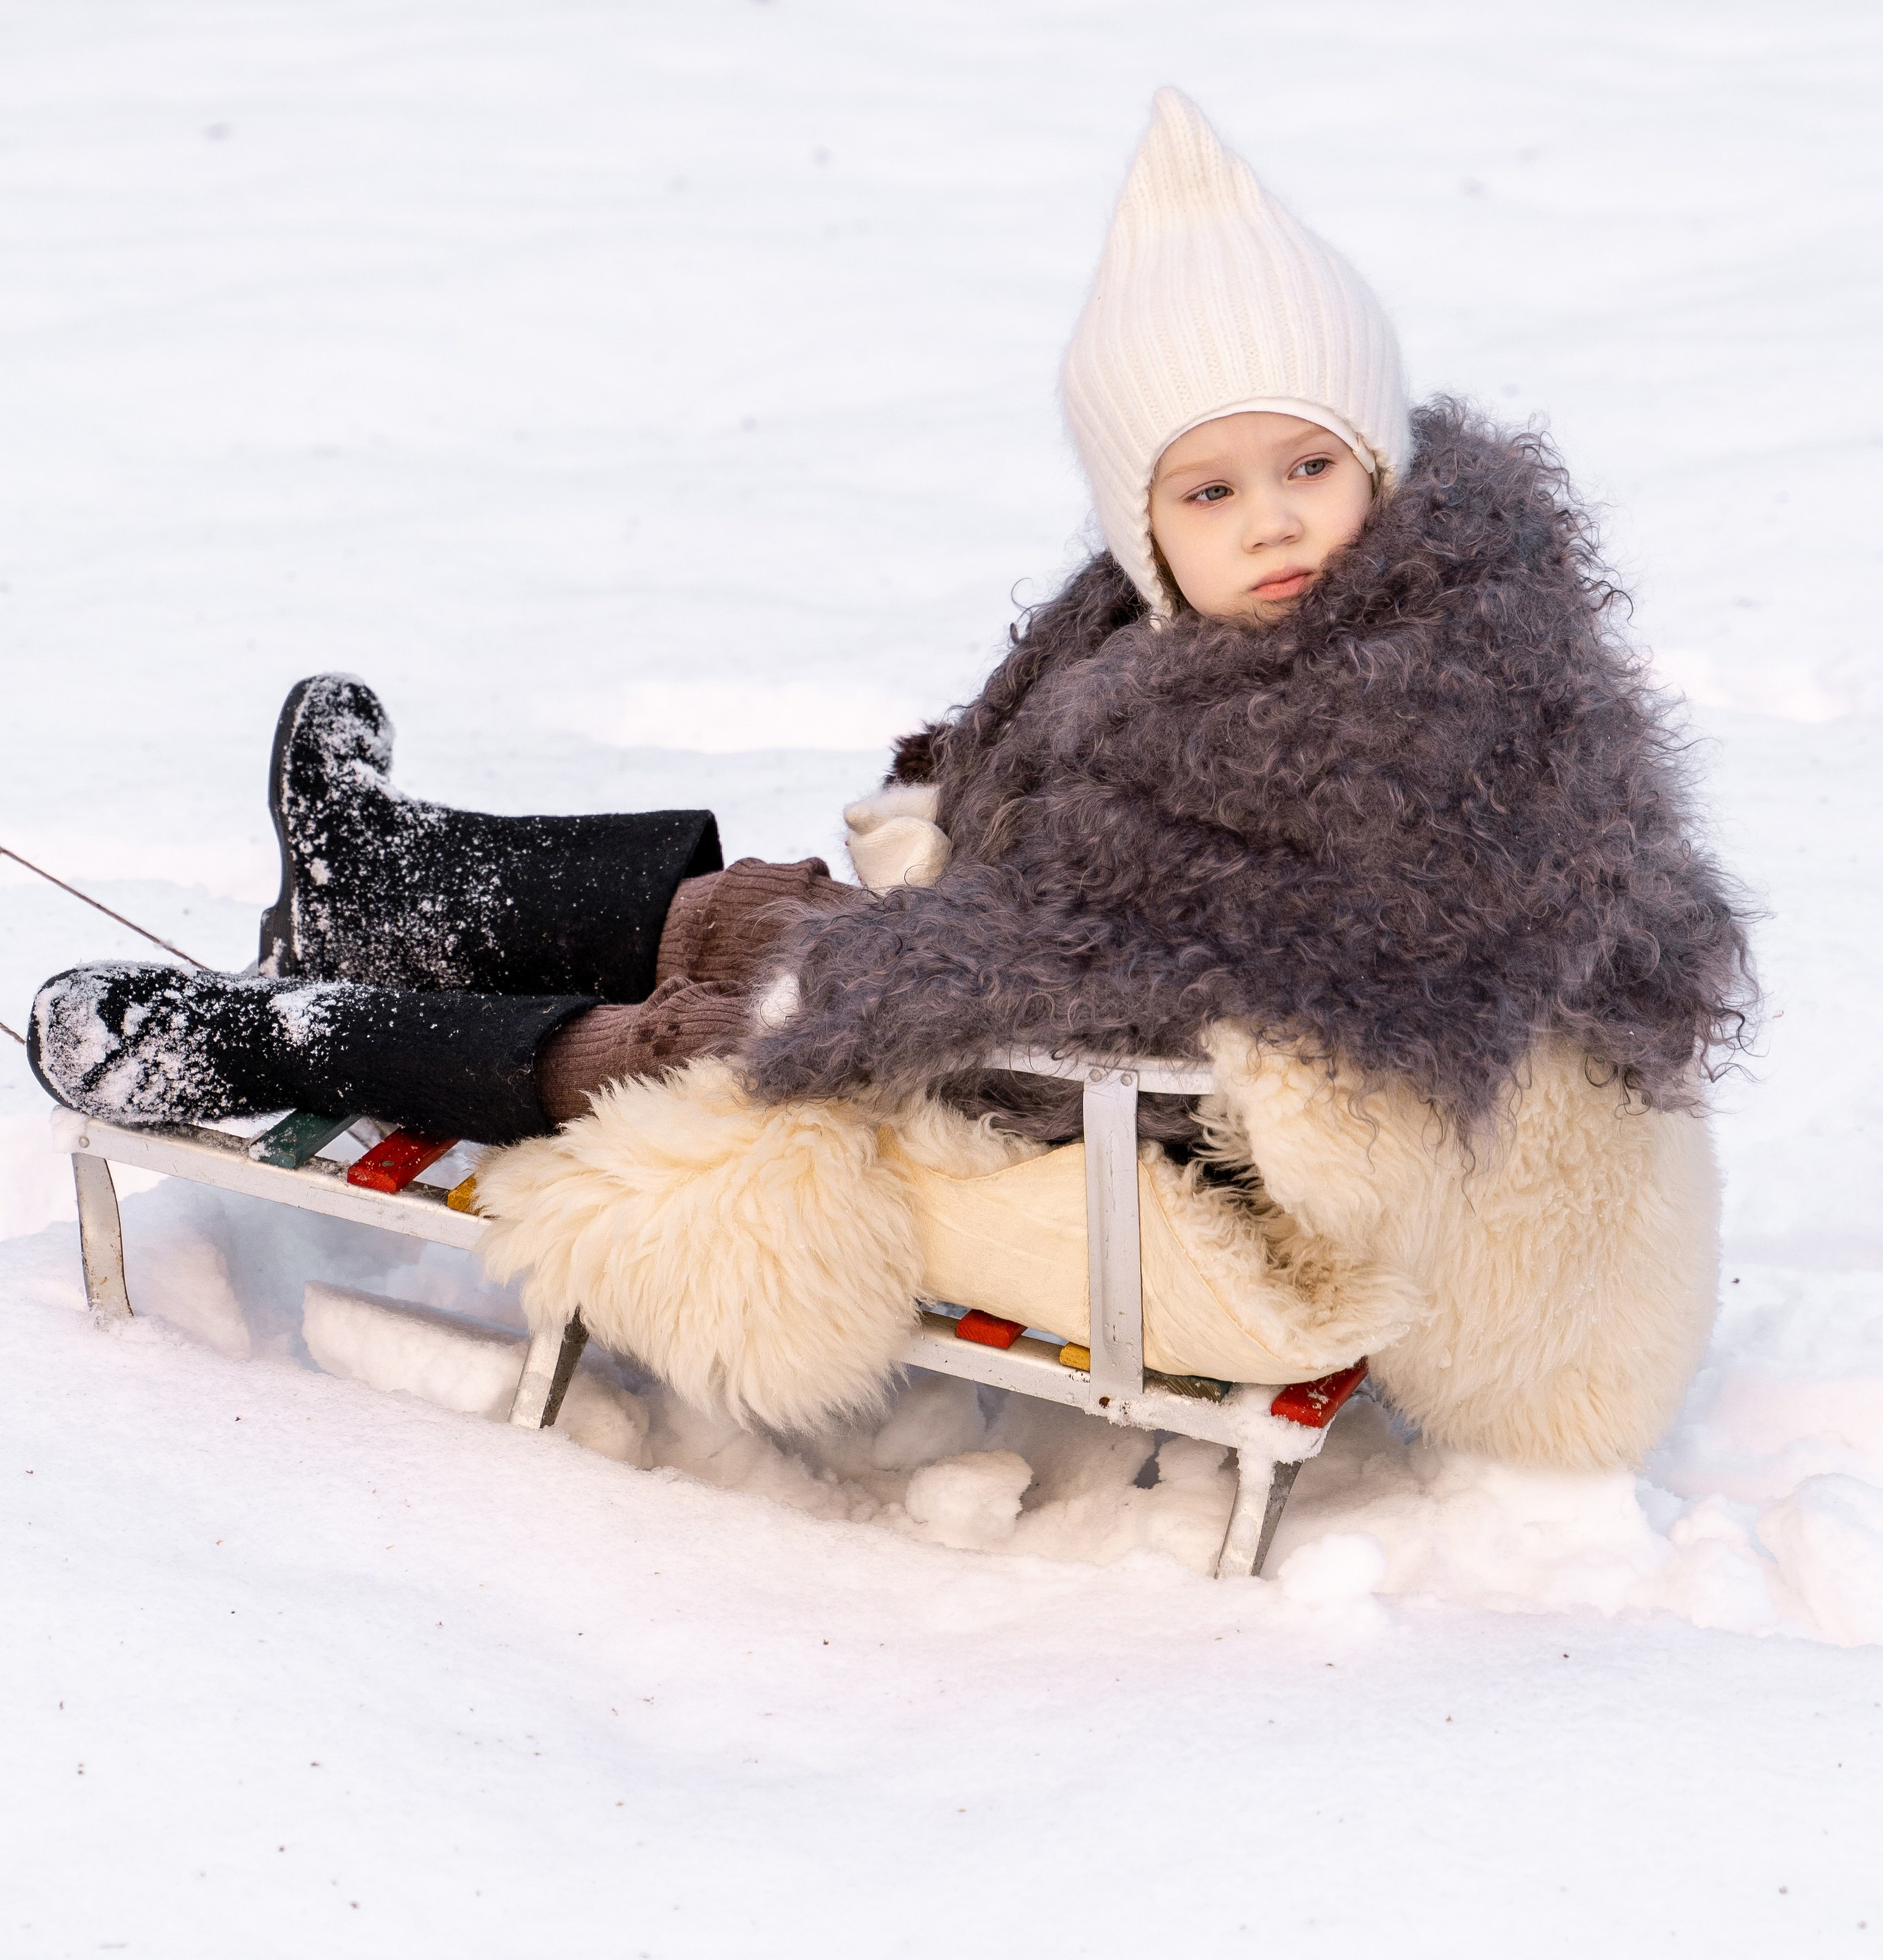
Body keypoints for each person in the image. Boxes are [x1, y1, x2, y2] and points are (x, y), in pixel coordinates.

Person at [29, 91, 1751, 1467]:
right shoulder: (1345, 632)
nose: (1274, 519)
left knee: (728, 1039)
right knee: (803, 917)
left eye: (1307, 464)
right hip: (1171, 1065)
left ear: (1376, 455)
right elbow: (1108, 889)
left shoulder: (1414, 724)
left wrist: (892, 972)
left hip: (1236, 1195)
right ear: (1141, 523)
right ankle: (393, 879)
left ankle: (249, 1035)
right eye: (1207, 491)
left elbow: (1233, 1022)